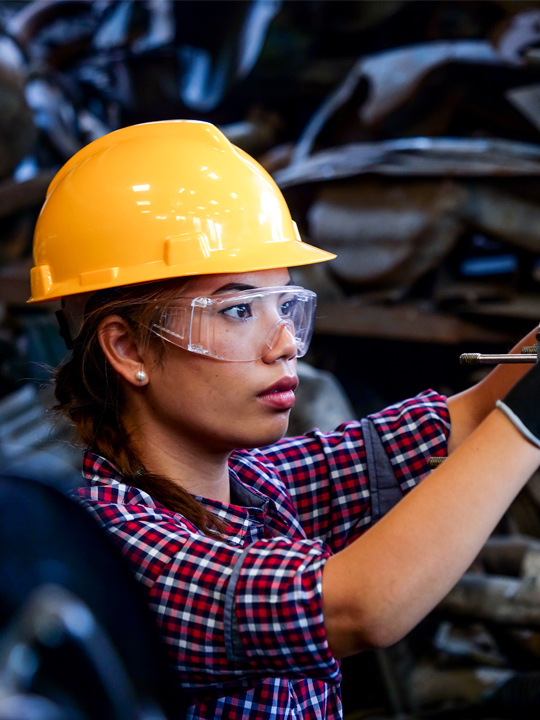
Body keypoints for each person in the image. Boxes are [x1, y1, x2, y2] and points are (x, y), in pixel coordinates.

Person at [28, 120, 540, 719]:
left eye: (287, 306)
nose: (285, 345)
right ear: (129, 350)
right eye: (240, 308)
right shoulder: (123, 551)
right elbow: (360, 607)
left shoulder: (254, 485)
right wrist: (529, 418)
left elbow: (469, 416)